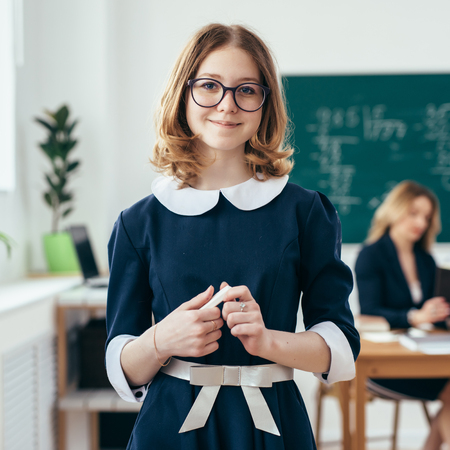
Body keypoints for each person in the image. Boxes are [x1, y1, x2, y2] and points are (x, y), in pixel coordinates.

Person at [105, 23, 360, 450]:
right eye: (209, 86)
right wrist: (163, 339)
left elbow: (339, 344)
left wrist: (268, 341)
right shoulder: (139, 222)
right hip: (171, 429)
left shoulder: (304, 211)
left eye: (246, 90)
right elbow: (122, 366)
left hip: (272, 425)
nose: (227, 105)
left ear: (265, 102)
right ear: (183, 94)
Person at [355, 180, 450, 450]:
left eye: (427, 217)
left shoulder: (426, 260)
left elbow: (433, 316)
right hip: (384, 367)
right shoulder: (371, 255)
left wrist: (441, 315)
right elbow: (370, 313)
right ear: (396, 210)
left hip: (424, 358)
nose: (420, 222)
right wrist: (414, 317)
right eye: (414, 213)